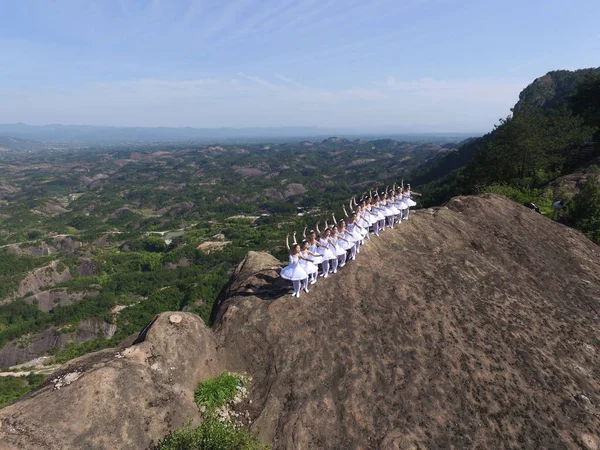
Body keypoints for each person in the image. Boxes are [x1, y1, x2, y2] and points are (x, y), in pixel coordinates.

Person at [280, 234, 310, 298]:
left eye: (299, 248)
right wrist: (287, 238)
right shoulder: (291, 252)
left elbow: (303, 258)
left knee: (298, 280)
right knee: (294, 280)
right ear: (294, 248)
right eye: (297, 248)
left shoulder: (298, 254)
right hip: (291, 268)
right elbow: (287, 245)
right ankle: (295, 291)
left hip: (297, 268)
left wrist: (309, 260)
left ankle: (298, 291)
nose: (299, 249)